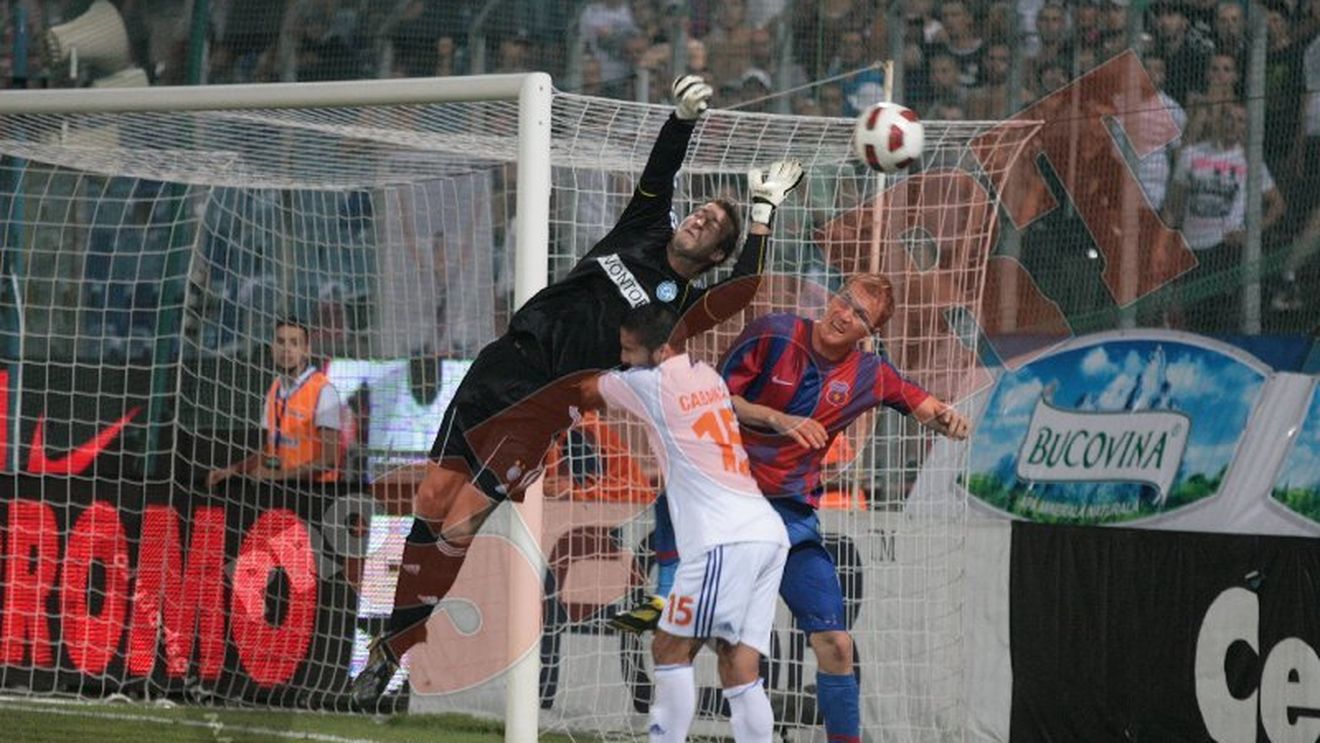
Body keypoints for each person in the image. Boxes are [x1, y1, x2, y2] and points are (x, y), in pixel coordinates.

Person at [351, 75, 805, 703]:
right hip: (502, 363)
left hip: (544, 407)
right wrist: (681, 119)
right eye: (702, 210)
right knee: (431, 501)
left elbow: (743, 293)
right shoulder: (641, 230)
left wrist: (759, 216)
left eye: (712, 226)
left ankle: (394, 655)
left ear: (716, 254)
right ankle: (393, 639)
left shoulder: (680, 309)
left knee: (460, 526)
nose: (700, 217)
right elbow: (659, 174)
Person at [613, 273, 971, 743]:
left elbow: (922, 404)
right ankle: (665, 590)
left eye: (860, 314)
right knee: (701, 648)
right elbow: (716, 398)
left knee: (836, 646)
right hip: (726, 505)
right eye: (844, 300)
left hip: (791, 520)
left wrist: (948, 419)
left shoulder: (869, 374)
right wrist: (778, 418)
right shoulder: (774, 333)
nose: (844, 314)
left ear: (871, 332)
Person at [580, 303, 789, 742]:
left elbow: (585, 391)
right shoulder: (707, 375)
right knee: (738, 664)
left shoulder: (650, 385)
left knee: (670, 647)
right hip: (766, 532)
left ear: (660, 350)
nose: (625, 359)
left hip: (723, 540)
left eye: (630, 350)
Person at [208, 318, 344, 487]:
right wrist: (234, 470)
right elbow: (270, 448)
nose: (286, 349)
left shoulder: (324, 390)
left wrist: (278, 476)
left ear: (307, 350)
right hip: (281, 491)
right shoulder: (274, 388)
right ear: (272, 348)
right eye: (280, 342)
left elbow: (330, 458)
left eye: (295, 343)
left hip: (315, 495)